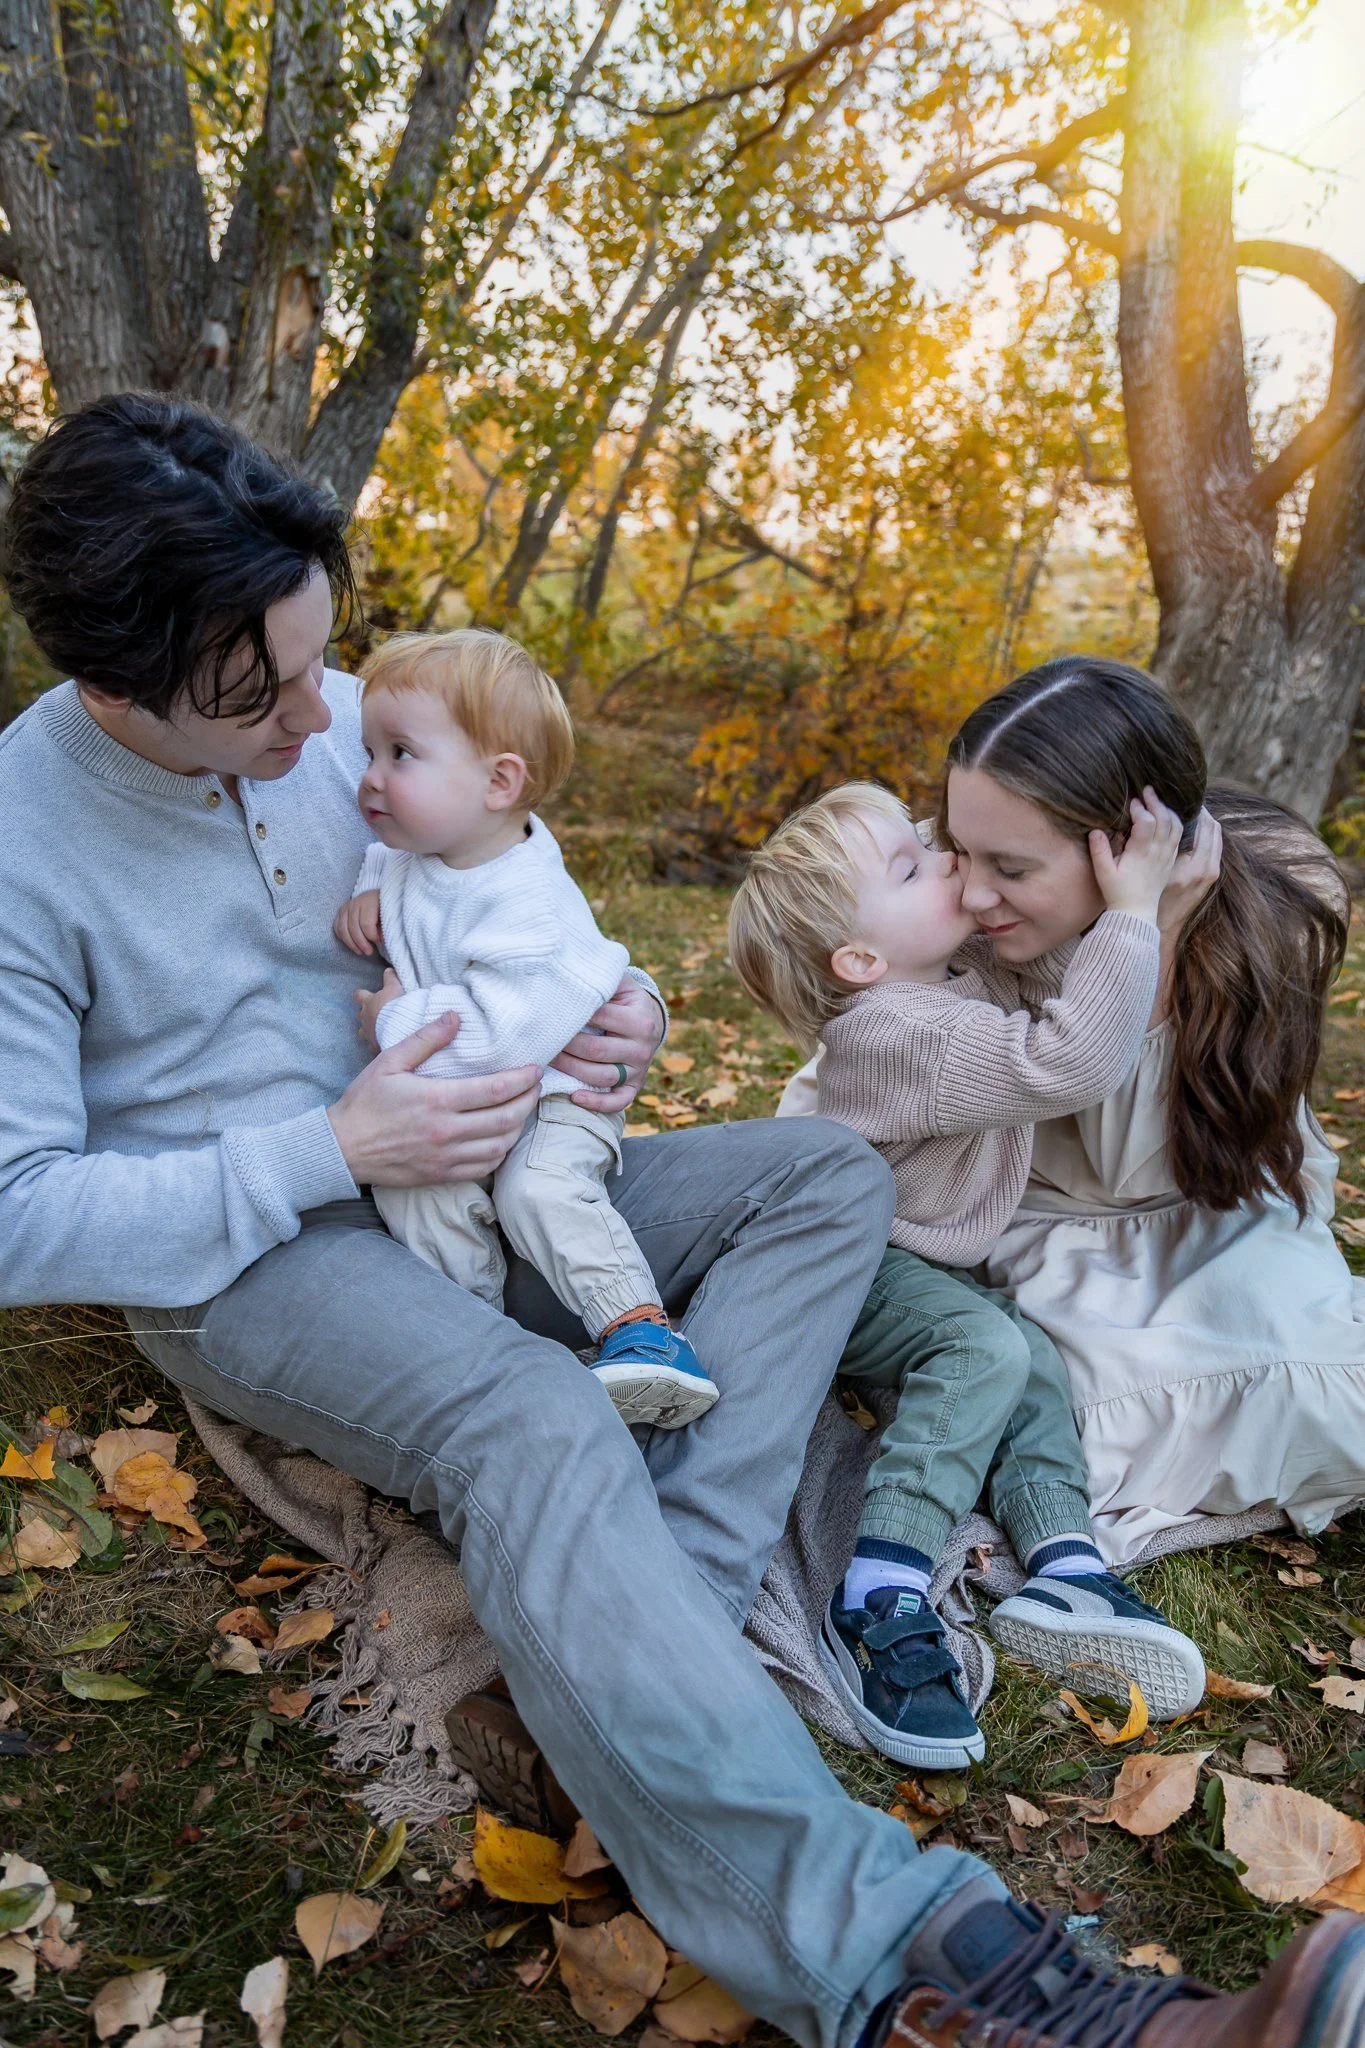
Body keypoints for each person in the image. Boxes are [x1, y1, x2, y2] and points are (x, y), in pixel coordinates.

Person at [0, 398, 1356, 2048]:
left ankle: (669, 1610)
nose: (322, 719)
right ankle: (924, 1971)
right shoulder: (26, 840)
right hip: (270, 1248)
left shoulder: (367, 715)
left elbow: (524, 889)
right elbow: (19, 1210)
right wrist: (325, 1143)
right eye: (261, 693)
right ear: (118, 675)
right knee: (530, 1412)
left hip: (504, 1162)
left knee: (824, 1178)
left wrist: (610, 1009)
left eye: (320, 656)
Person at [783, 655, 1365, 1568]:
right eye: (957, 847)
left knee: (1326, 1390)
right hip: (1016, 1213)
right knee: (1045, 1415)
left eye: (1009, 866)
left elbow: (1135, 1156)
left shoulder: (1274, 897)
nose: (970, 892)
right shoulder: (965, 909)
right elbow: (866, 1071)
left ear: (1126, 846)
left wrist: (1156, 935)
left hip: (1200, 1206)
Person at [728, 781, 1204, 1771]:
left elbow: (1060, 975)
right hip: (834, 1264)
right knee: (984, 1344)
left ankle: (1064, 1559)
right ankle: (879, 1586)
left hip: (906, 1258)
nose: (945, 854)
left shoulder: (943, 978)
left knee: (1028, 1357)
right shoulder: (893, 1031)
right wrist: (1133, 909)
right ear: (859, 961)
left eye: (923, 835)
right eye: (910, 863)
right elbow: (1074, 1058)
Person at [335, 626, 719, 1428]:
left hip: (552, 1097)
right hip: (469, 1101)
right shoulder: (425, 844)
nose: (368, 779)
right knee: (417, 1195)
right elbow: (397, 864)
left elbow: (500, 1037)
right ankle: (482, 1350)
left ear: (499, 782)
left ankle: (641, 1333)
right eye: (369, 751)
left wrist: (390, 1020)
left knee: (538, 1188)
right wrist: (371, 885)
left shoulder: (530, 903)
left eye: (398, 754)